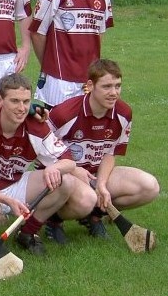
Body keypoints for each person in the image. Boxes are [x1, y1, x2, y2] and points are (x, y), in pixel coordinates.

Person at [0, 73, 96, 255]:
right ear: (0, 100)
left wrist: (54, 167)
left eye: (26, 102)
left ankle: (27, 233)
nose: (21, 108)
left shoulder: (35, 125)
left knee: (66, 181)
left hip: (14, 183)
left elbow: (69, 161)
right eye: (15, 101)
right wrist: (7, 201)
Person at [43, 59, 159, 243]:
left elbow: (109, 153)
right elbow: (42, 152)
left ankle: (94, 216)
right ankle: (53, 219)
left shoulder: (124, 113)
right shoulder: (64, 114)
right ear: (90, 86)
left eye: (117, 86)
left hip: (95, 174)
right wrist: (73, 170)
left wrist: (102, 184)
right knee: (86, 199)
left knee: (149, 187)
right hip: (63, 176)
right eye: (107, 86)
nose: (114, 93)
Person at [30, 0, 113, 107]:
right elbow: (37, 33)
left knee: (87, 123)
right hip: (59, 80)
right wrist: (50, 65)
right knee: (57, 124)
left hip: (90, 79)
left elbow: (99, 33)